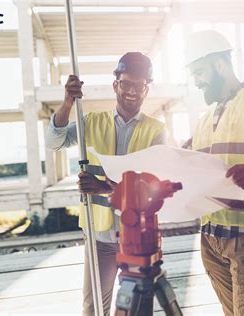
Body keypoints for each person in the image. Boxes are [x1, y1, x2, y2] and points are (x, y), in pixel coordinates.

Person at [45, 52, 167, 315]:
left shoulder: (157, 131)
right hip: (99, 236)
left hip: (138, 238)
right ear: (115, 85)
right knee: (93, 307)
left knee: (134, 309)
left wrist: (104, 188)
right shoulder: (93, 122)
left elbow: (155, 188)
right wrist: (67, 102)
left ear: (147, 89)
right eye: (126, 84)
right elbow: (54, 142)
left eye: (139, 85)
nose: (132, 91)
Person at [182, 30, 244, 315]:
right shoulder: (204, 120)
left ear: (219, 64)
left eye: (199, 72)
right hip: (211, 236)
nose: (197, 82)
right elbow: (181, 159)